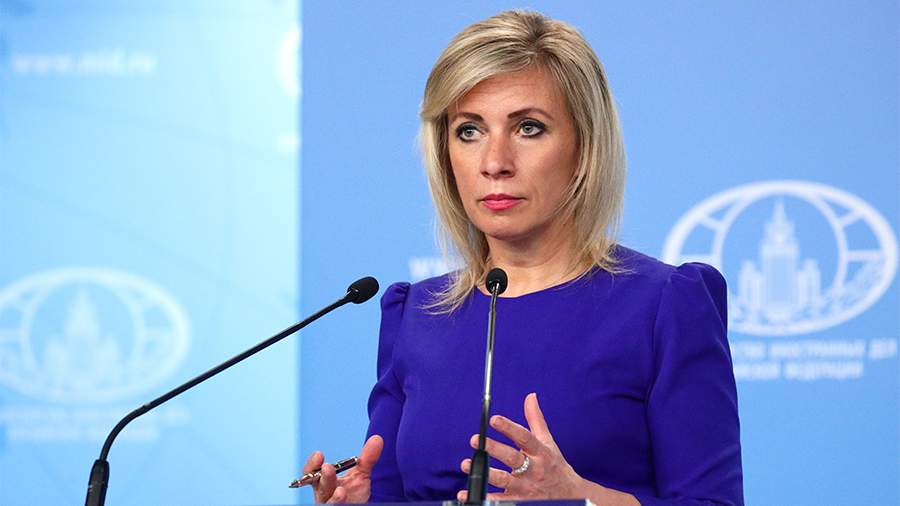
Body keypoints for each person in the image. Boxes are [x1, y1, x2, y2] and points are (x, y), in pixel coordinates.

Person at [303, 10, 743, 505]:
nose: (495, 163)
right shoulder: (417, 314)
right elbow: (392, 494)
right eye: (469, 131)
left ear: (585, 147)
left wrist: (581, 499)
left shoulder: (665, 305)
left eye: (529, 128)